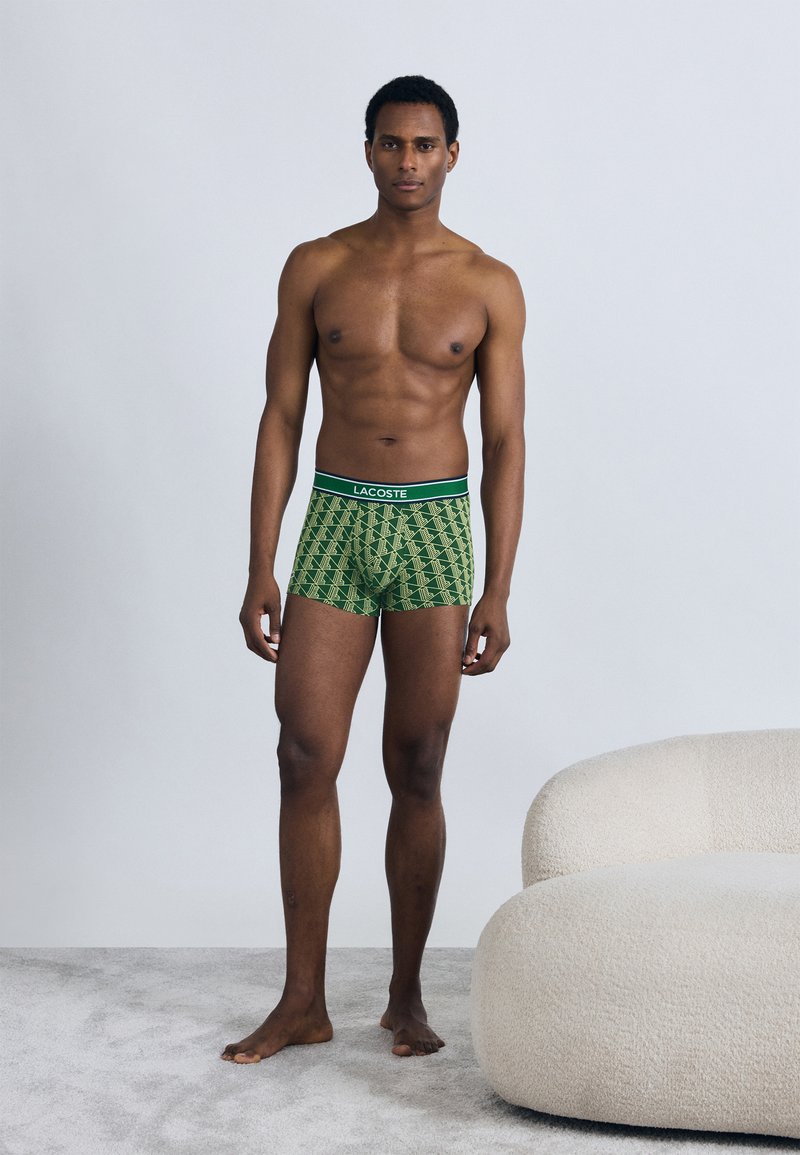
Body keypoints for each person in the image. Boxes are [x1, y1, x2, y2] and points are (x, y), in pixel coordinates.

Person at [221, 75, 525, 1063]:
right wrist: (260, 562)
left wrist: (498, 586)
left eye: (425, 145)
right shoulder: (317, 266)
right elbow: (280, 417)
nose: (407, 161)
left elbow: (506, 441)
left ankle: (405, 997)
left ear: (452, 155)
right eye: (391, 143)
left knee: (418, 764)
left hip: (434, 527)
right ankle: (301, 1000)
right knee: (303, 753)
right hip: (337, 520)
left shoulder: (488, 282)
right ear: (367, 151)